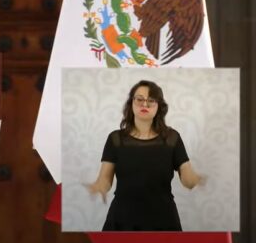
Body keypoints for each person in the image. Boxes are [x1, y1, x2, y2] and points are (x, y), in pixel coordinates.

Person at [86, 80, 205, 231]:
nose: (145, 104)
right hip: (122, 219)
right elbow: (105, 180)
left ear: (159, 107)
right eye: (140, 99)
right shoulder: (115, 139)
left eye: (151, 100)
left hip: (163, 219)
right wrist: (98, 187)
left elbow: (188, 180)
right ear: (131, 103)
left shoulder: (172, 138)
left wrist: (197, 180)